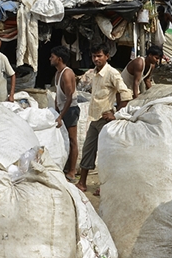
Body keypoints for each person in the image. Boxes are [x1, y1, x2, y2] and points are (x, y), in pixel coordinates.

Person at [75, 44, 132, 193]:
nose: (96, 59)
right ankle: (82, 183)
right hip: (94, 118)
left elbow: (125, 94)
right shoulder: (94, 73)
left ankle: (104, 185)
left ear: (107, 56)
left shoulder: (112, 73)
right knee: (88, 150)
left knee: (105, 154)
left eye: (99, 56)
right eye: (94, 56)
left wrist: (116, 115)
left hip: (106, 119)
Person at [49, 45, 79, 181]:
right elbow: (58, 95)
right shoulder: (57, 73)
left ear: (59, 59)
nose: (50, 59)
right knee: (63, 139)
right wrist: (56, 111)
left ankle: (72, 171)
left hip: (70, 110)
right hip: (63, 110)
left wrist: (61, 115)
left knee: (72, 140)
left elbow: (70, 97)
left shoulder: (67, 73)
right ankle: (66, 167)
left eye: (53, 57)